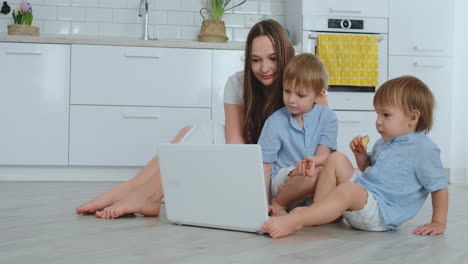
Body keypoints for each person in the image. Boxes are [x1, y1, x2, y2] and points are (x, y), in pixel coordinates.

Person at [76, 19, 320, 219]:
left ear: (285, 55)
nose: (264, 67)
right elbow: (235, 143)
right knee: (197, 131)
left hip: (284, 175)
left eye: (272, 58)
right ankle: (135, 189)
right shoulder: (238, 83)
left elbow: (320, 142)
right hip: (249, 167)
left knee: (197, 131)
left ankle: (145, 194)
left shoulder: (304, 83)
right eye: (256, 60)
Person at [262, 75, 449, 238]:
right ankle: (320, 212)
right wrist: (360, 156)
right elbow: (368, 168)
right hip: (366, 196)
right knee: (336, 158)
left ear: (413, 118)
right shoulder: (385, 142)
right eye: (377, 113)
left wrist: (438, 222)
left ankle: (298, 219)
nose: (378, 121)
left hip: (381, 213)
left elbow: (439, 187)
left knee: (348, 190)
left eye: (386, 115)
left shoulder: (423, 149)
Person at [257, 53, 337, 216]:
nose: (291, 100)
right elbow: (265, 165)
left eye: (300, 95)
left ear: (319, 95)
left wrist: (312, 162)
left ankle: (311, 209)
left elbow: (324, 154)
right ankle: (278, 203)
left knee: (328, 173)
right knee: (316, 173)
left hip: (313, 174)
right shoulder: (275, 121)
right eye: (287, 91)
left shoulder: (328, 117)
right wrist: (262, 203)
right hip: (284, 180)